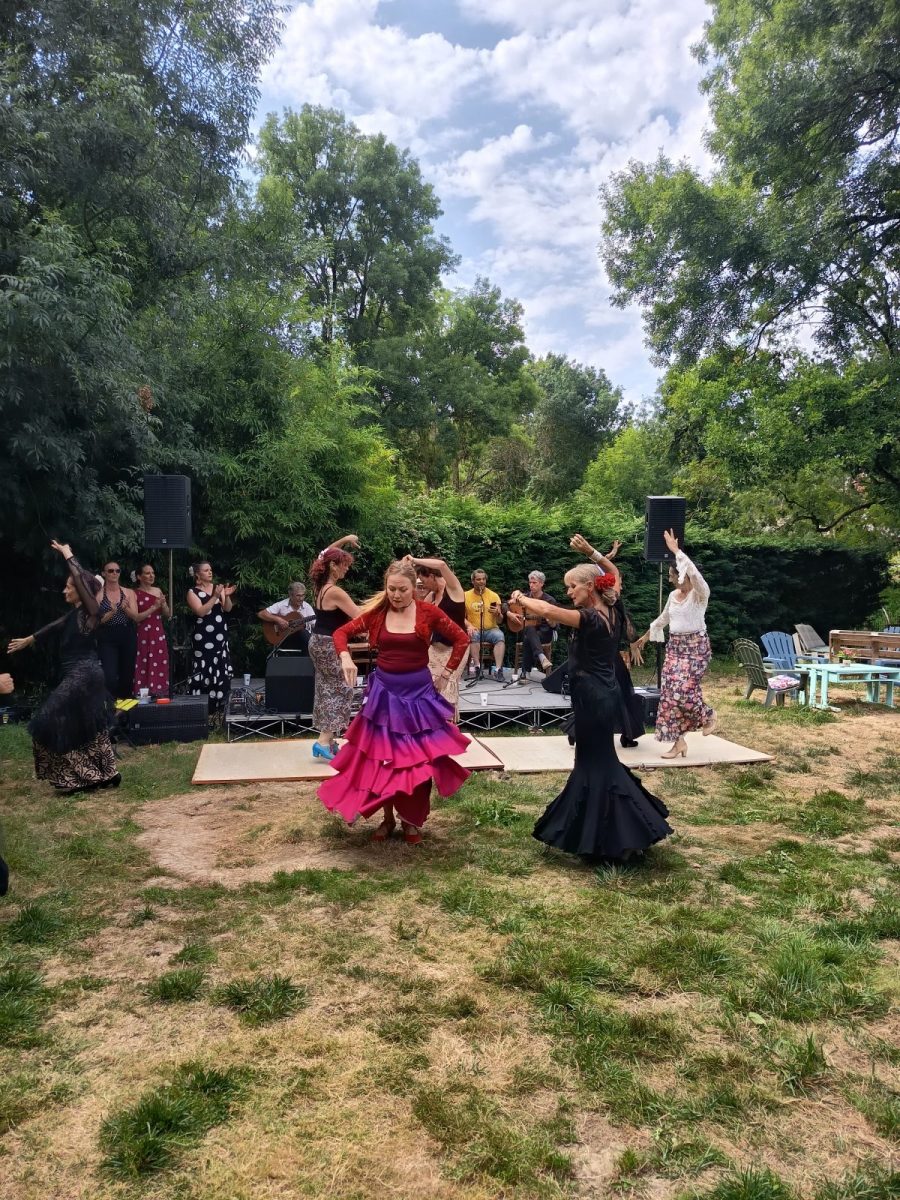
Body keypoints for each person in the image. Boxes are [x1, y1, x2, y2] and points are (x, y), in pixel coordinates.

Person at [510, 563, 671, 861]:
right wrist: (592, 554)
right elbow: (614, 573)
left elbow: (547, 610)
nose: (569, 592)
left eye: (573, 586)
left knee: (595, 764)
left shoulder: (590, 618)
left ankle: (614, 837)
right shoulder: (613, 609)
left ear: (590, 586)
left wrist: (520, 598)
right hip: (603, 694)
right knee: (597, 762)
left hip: (592, 697)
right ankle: (605, 834)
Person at [318, 560, 470, 844]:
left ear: (415, 588)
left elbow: (461, 639)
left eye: (402, 590)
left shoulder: (428, 612)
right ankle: (387, 819)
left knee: (419, 761)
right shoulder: (378, 613)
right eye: (391, 589)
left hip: (418, 697)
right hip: (384, 697)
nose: (396, 595)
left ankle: (411, 821)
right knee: (383, 760)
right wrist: (345, 657)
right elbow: (340, 633)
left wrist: (446, 674)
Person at [8, 540, 120, 793]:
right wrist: (30, 639)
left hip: (83, 674)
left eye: (69, 587)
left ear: (82, 590)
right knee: (88, 723)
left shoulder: (90, 614)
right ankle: (108, 772)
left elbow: (81, 581)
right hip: (87, 675)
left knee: (47, 721)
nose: (64, 590)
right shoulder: (75, 615)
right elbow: (54, 626)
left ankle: (80, 777)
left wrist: (68, 555)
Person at [635, 529, 716, 758]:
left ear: (682, 575)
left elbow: (695, 574)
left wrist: (676, 551)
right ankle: (678, 742)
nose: (670, 578)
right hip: (675, 649)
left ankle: (708, 715)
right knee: (669, 696)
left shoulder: (700, 594)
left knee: (684, 690)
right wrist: (644, 638)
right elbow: (663, 619)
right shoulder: (673, 596)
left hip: (696, 648)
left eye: (672, 574)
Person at [570, 533, 644, 747]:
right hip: (606, 660)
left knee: (600, 696)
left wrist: (590, 551)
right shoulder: (610, 602)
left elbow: (613, 572)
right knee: (617, 695)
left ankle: (579, 733)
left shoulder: (605, 603)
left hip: (600, 661)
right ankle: (621, 734)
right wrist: (590, 551)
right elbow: (614, 571)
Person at [307, 535, 362, 761]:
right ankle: (323, 741)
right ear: (333, 566)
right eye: (344, 565)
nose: (346, 569)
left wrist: (345, 540)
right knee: (342, 688)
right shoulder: (335, 592)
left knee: (326, 688)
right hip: (330, 644)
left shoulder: (319, 587)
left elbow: (323, 554)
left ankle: (328, 742)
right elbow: (359, 617)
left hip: (317, 641)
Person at [410, 555, 469, 722]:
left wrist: (414, 560)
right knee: (428, 686)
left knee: (446, 685)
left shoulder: (454, 589)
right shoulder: (431, 597)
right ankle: (431, 725)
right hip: (435, 648)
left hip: (456, 648)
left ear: (432, 576)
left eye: (424, 581)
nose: (423, 585)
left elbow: (442, 564)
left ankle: (448, 726)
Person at [187, 561, 235, 711]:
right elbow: (201, 611)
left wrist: (226, 596)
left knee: (220, 665)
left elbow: (227, 609)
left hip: (219, 635)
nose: (210, 572)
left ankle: (221, 703)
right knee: (204, 664)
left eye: (210, 570)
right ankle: (203, 705)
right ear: (198, 574)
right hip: (203, 636)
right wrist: (214, 597)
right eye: (206, 570)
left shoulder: (217, 588)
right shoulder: (192, 592)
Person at [96, 560, 139, 700]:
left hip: (127, 633)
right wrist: (112, 612)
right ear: (103, 573)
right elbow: (96, 621)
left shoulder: (128, 592)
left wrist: (125, 609)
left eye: (117, 570)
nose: (114, 573)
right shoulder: (98, 594)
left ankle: (124, 708)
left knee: (127, 675)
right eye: (110, 571)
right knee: (109, 675)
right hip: (107, 635)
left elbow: (136, 617)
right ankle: (109, 704)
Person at [132, 563, 170, 697]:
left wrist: (163, 604)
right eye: (147, 573)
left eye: (153, 573)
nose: (151, 576)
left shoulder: (158, 590)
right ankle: (143, 694)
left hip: (157, 632)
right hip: (143, 632)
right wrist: (153, 607)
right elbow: (136, 617)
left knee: (159, 660)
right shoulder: (134, 594)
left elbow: (168, 614)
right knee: (144, 661)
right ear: (139, 576)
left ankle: (160, 692)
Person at [464, 569, 506, 679]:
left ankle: (498, 670)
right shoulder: (465, 596)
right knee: (473, 634)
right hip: (475, 629)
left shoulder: (493, 596)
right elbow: (461, 617)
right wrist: (469, 625)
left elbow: (500, 621)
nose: (481, 581)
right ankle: (478, 667)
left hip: (491, 629)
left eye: (483, 579)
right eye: (478, 579)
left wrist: (498, 614)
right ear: (473, 581)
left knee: (500, 636)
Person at [516, 570, 558, 680]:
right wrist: (510, 614)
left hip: (544, 633)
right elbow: (506, 605)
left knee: (528, 638)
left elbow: (555, 625)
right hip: (527, 631)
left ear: (542, 584)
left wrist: (551, 622)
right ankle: (541, 657)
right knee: (529, 629)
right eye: (530, 582)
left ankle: (525, 672)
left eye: (534, 583)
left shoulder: (549, 600)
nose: (531, 585)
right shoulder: (525, 598)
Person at [257, 582, 316, 653]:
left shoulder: (307, 607)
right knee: (302, 633)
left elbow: (315, 625)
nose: (301, 598)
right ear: (290, 595)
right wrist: (278, 620)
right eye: (298, 595)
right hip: (284, 639)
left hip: (304, 640)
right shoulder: (281, 605)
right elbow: (261, 614)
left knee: (304, 632)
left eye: (303, 595)